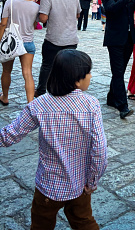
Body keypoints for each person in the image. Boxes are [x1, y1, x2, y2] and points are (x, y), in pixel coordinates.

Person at [0, 49, 107, 229]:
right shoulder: (91, 105)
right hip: (80, 186)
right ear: (76, 79)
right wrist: (93, 180)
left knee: (41, 224)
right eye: (88, 72)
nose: (90, 76)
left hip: (48, 187)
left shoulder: (39, 105)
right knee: (84, 222)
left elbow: (10, 135)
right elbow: (100, 149)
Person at [102, 0, 135, 118]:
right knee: (118, 72)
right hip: (115, 40)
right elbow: (112, 10)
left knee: (119, 71)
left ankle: (111, 98)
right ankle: (122, 106)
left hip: (128, 38)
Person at [35, 0, 81, 97]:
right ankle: (67, 92)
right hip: (71, 38)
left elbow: (43, 19)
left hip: (54, 38)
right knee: (68, 67)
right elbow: (78, 15)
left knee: (47, 65)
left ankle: (41, 91)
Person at [0, 0, 39, 104]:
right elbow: (35, 24)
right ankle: (30, 103)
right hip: (27, 42)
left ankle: (5, 97)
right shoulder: (36, 6)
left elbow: (3, 24)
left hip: (10, 42)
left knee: (6, 71)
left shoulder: (10, 3)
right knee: (27, 73)